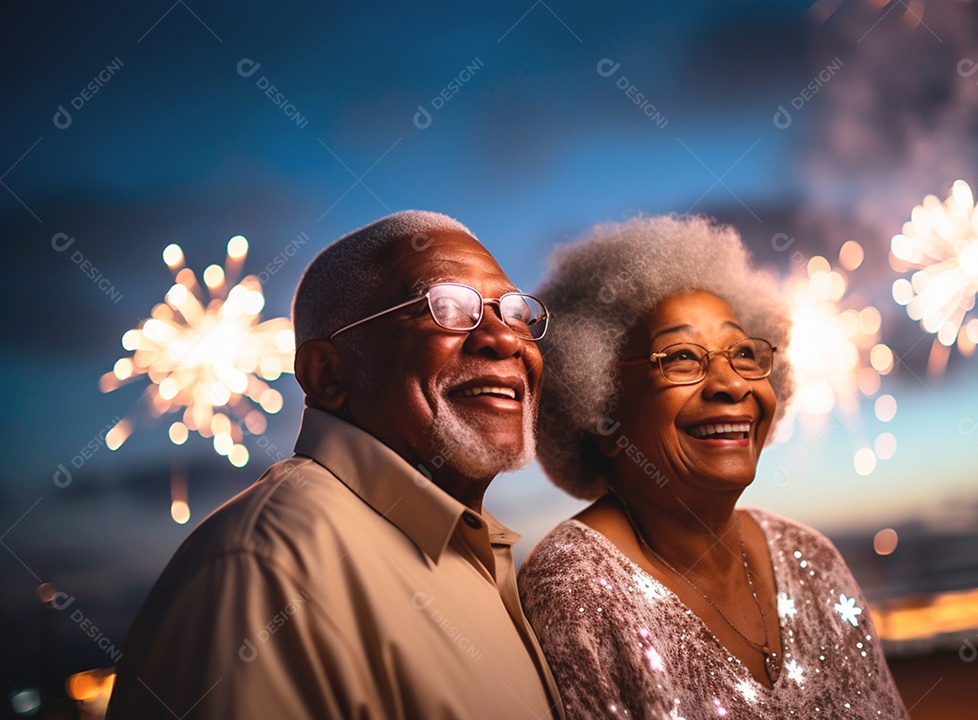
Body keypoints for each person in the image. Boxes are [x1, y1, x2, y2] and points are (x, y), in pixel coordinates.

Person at [107, 211, 564, 719]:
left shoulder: (475, 554)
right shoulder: (265, 571)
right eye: (448, 308)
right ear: (327, 374)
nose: (504, 339)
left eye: (515, 312)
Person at [518, 214, 908, 719]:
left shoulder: (812, 559)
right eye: (681, 357)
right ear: (602, 409)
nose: (732, 384)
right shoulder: (573, 587)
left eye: (744, 353)